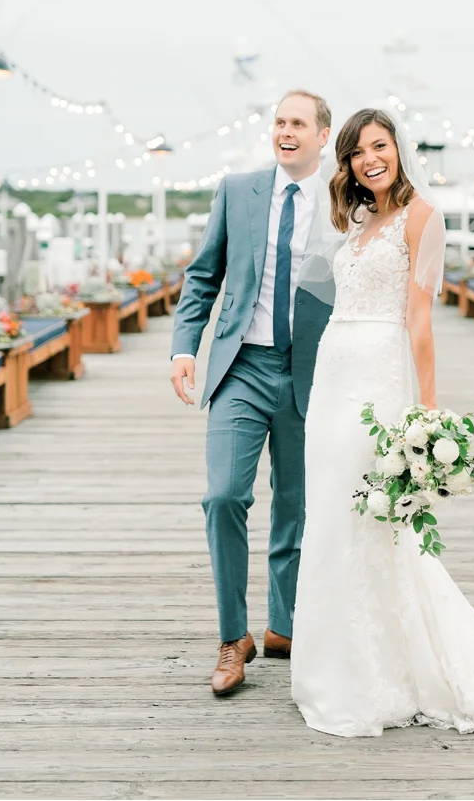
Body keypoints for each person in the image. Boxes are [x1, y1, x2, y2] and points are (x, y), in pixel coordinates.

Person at [290, 107, 474, 736]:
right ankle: (334, 663)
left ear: (398, 150)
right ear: (345, 163)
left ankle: (383, 672)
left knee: (368, 513)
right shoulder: (359, 221)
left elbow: (420, 320)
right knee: (328, 510)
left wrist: (426, 411)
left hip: (377, 374)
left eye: (380, 146)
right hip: (333, 373)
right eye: (356, 152)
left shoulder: (423, 217)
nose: (369, 159)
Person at [168, 90, 338, 697]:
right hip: (240, 365)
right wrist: (185, 347)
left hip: (311, 371)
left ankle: (283, 624)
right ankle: (232, 636)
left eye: (298, 124)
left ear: (322, 135)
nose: (285, 132)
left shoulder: (345, 199)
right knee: (223, 497)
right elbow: (204, 275)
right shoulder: (238, 191)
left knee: (295, 504)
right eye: (279, 122)